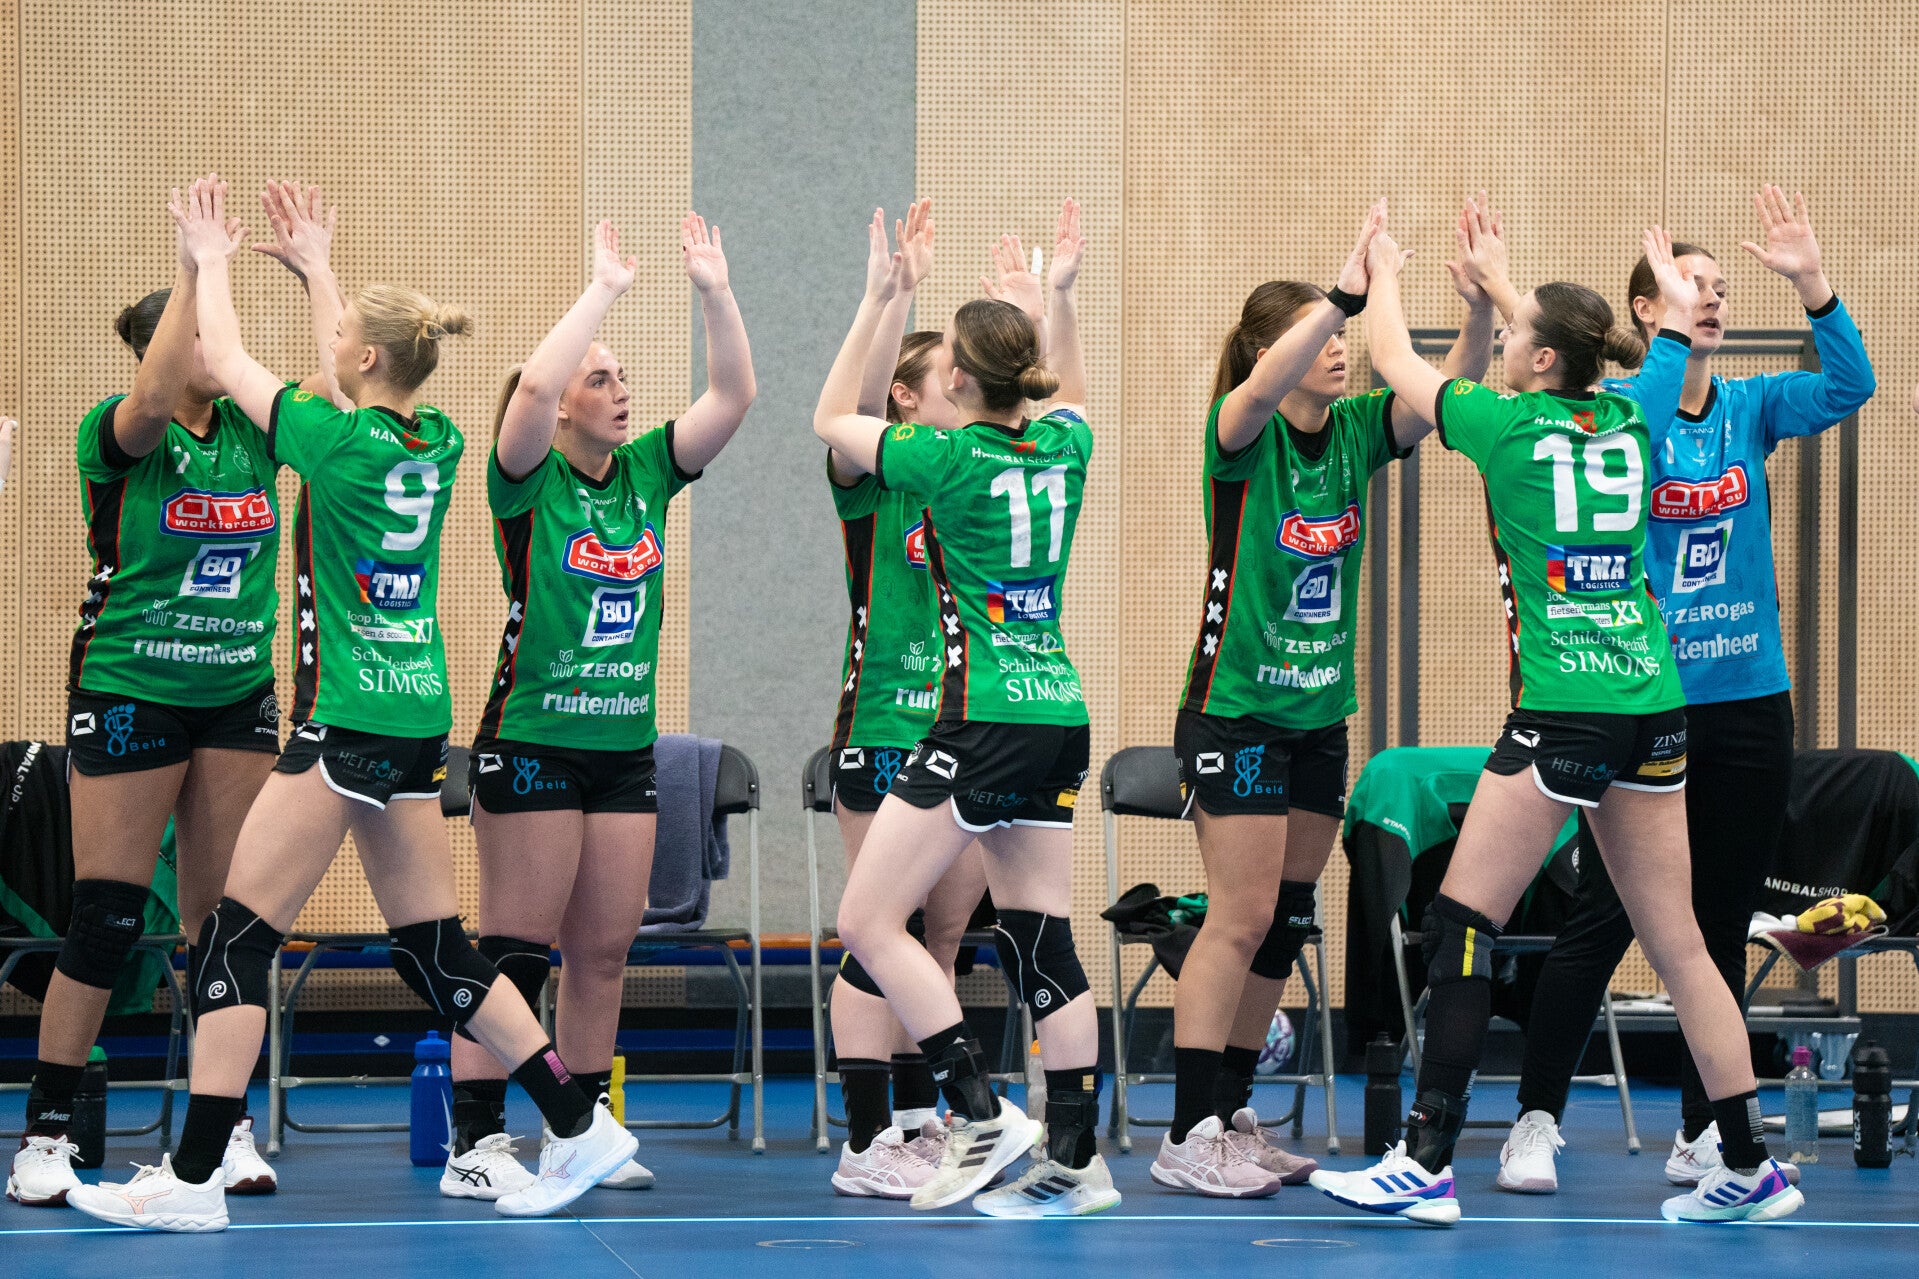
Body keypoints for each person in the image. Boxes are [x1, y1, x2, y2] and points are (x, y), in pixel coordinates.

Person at [68, 176, 634, 1233]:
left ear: (366, 358)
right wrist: (320, 266)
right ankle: (577, 1116)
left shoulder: (329, 443)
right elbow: (349, 376)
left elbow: (227, 356)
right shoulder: (437, 439)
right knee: (435, 946)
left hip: (347, 721)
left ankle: (193, 1177)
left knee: (234, 938)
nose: (329, 349)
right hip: (417, 712)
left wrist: (209, 259)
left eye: (342, 340)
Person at [1311, 211, 1802, 1225]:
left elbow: (1391, 358)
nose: (1507, 335)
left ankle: (1424, 1159)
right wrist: (1504, 287)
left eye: (1514, 331)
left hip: (1562, 713)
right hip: (1653, 707)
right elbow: (1618, 344)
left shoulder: (1502, 426)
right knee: (1682, 946)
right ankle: (1748, 1163)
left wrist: (1381, 275)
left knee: (1461, 924)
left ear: (1536, 360)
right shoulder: (1634, 412)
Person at [1496, 185, 1874, 1194]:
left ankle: (1704, 1131)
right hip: (1643, 701)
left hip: (1748, 700)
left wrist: (1810, 282)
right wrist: (1659, 338)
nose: (1709, 298)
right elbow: (1628, 426)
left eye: (1717, 287)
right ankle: (1533, 1117)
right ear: (1647, 309)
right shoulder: (1627, 414)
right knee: (1602, 919)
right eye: (1688, 285)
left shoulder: (1750, 407)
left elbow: (1851, 385)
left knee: (1720, 920)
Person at [9, 177, 342, 1211]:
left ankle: (219, 1126)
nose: (220, 342)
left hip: (235, 693)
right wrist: (198, 264)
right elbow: (153, 400)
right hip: (130, 687)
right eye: (203, 330)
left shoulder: (253, 430)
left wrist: (317, 268)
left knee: (223, 921)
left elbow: (341, 396)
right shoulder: (119, 430)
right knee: (106, 914)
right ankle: (46, 1134)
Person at [1154, 196, 1497, 1197]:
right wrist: (1343, 295)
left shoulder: (1352, 431)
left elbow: (1447, 390)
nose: (1340, 348)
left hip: (1316, 716)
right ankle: (1185, 1132)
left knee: (1285, 918)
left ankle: (1229, 1114)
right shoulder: (1241, 431)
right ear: (1277, 347)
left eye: (1343, 334)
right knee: (1237, 914)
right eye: (1322, 335)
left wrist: (1477, 306)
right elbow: (1257, 388)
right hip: (1234, 711)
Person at [441, 214, 754, 1200]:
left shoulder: (647, 471)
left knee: (604, 952)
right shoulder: (524, 479)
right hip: (531, 741)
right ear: (561, 406)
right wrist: (604, 289)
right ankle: (474, 1142)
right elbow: (533, 389)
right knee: (512, 951)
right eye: (600, 379)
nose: (620, 392)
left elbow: (733, 396)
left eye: (622, 378)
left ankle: (575, 1133)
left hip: (622, 749)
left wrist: (714, 291)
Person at [818, 198, 1118, 1218]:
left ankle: (976, 1110)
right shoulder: (1064, 447)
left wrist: (878, 297)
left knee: (867, 918)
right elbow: (1072, 392)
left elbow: (831, 417)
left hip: (978, 717)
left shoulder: (942, 460)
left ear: (951, 384)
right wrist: (1052, 302)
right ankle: (1074, 1158)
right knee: (1041, 938)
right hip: (1056, 710)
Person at [825, 207, 991, 1199]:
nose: (963, 391)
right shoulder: (877, 477)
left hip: (961, 730)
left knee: (938, 940)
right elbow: (850, 407)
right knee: (875, 924)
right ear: (906, 397)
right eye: (947, 380)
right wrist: (890, 295)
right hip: (883, 729)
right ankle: (864, 1136)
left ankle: (926, 1120)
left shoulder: (970, 475)